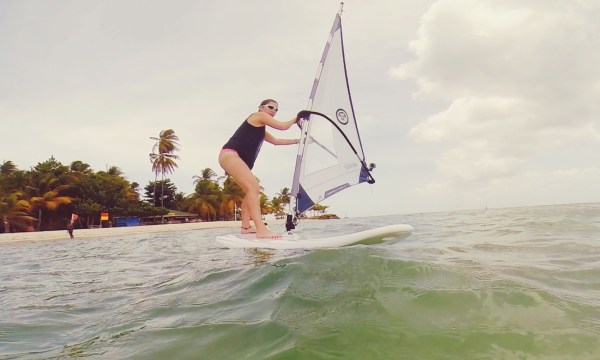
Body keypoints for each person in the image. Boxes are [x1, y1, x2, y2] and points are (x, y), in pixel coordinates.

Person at [219, 99, 302, 238]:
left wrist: (298, 141)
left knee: (250, 191)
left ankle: (246, 227)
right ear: (261, 108)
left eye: (276, 110)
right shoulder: (257, 116)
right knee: (254, 188)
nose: (274, 111)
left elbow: (276, 141)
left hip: (232, 158)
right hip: (230, 155)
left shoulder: (260, 129)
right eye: (271, 107)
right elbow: (282, 126)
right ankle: (261, 230)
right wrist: (297, 118)